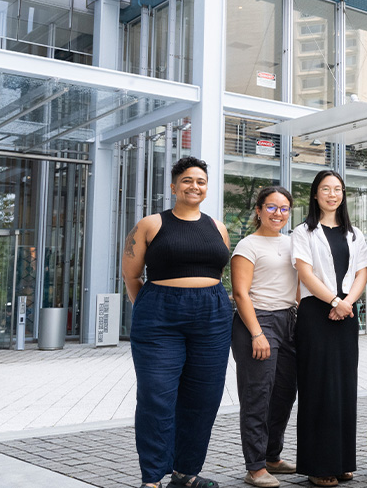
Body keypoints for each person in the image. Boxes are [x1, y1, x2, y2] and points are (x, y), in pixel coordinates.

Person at [121, 156, 232, 488]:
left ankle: (185, 474)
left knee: (205, 397)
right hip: (160, 315)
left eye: (200, 181)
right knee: (157, 396)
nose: (194, 186)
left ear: (207, 188)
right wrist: (151, 307)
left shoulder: (218, 227)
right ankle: (152, 478)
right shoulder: (151, 224)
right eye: (187, 180)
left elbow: (219, 270)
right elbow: (130, 275)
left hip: (212, 315)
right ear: (173, 187)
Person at [291, 171, 367, 487]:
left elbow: (362, 273)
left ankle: (341, 462)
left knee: (343, 388)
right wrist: (335, 301)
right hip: (316, 314)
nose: (332, 194)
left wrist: (347, 302)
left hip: (346, 315)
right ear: (315, 194)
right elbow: (305, 273)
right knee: (317, 388)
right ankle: (317, 465)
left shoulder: (355, 234)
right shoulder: (303, 231)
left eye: (338, 189)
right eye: (325, 189)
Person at [231, 187, 299, 488]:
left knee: (285, 393)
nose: (278, 213)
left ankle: (272, 456)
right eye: (271, 207)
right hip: (258, 321)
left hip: (289, 321)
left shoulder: (293, 242)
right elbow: (240, 293)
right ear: (258, 210)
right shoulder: (247, 245)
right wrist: (257, 333)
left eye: (284, 208)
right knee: (257, 396)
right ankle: (255, 466)